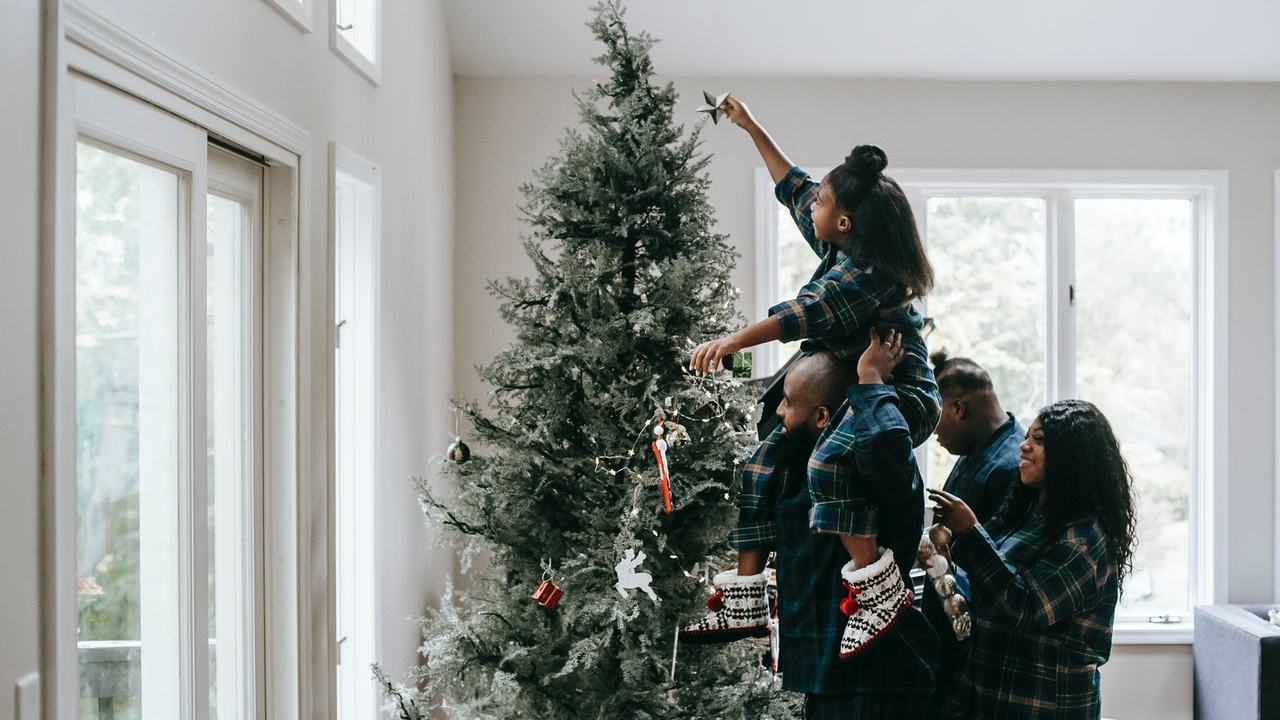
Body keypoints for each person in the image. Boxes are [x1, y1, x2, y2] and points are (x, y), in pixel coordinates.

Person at [685, 95, 939, 656]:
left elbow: (797, 317)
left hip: (900, 393)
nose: (814, 207)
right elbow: (793, 185)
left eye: (824, 202)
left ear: (843, 221)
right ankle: (744, 599)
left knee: (828, 461)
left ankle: (878, 587)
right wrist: (751, 125)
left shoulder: (863, 275)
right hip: (855, 384)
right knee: (761, 462)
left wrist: (730, 343)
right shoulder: (842, 235)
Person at [688, 346, 940, 717]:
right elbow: (774, 421)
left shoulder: (873, 470)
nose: (779, 410)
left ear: (823, 416)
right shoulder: (795, 466)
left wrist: (870, 377)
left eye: (788, 402)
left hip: (874, 682)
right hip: (824, 674)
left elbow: (887, 438)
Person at [929, 399, 1137, 719]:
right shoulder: (1029, 516)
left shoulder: (1083, 538)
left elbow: (1025, 607)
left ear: (1072, 456)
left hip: (1042, 709)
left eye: (1038, 440)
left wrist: (971, 532)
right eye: (1027, 437)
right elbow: (994, 589)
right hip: (992, 698)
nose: (1023, 447)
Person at [922, 352, 1024, 704]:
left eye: (935, 417)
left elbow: (999, 571)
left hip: (976, 655)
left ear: (958, 408)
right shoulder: (974, 453)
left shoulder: (1012, 467)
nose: (932, 431)